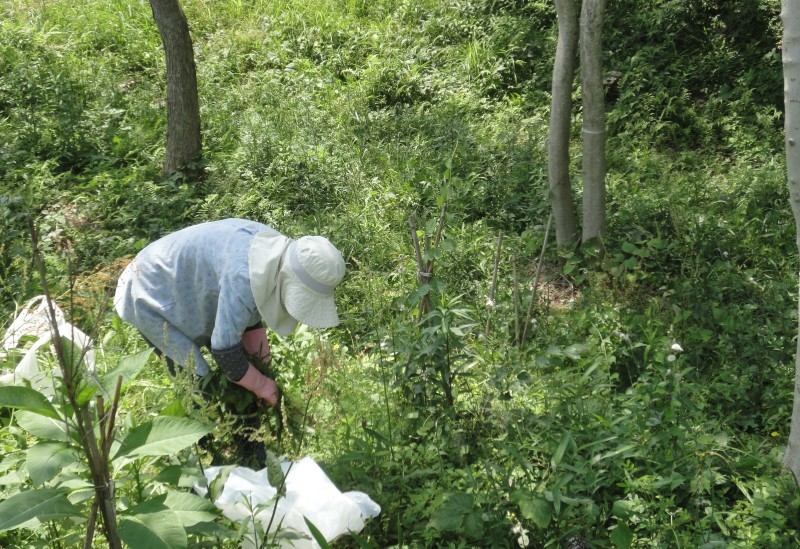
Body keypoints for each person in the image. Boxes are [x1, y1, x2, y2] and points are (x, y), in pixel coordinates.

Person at [113, 218, 345, 453]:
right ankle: (202, 449)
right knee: (198, 381)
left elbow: (252, 315)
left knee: (247, 375)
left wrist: (262, 366)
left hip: (189, 286)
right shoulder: (243, 277)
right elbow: (226, 353)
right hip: (150, 290)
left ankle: (249, 448)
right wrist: (262, 385)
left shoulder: (273, 255)